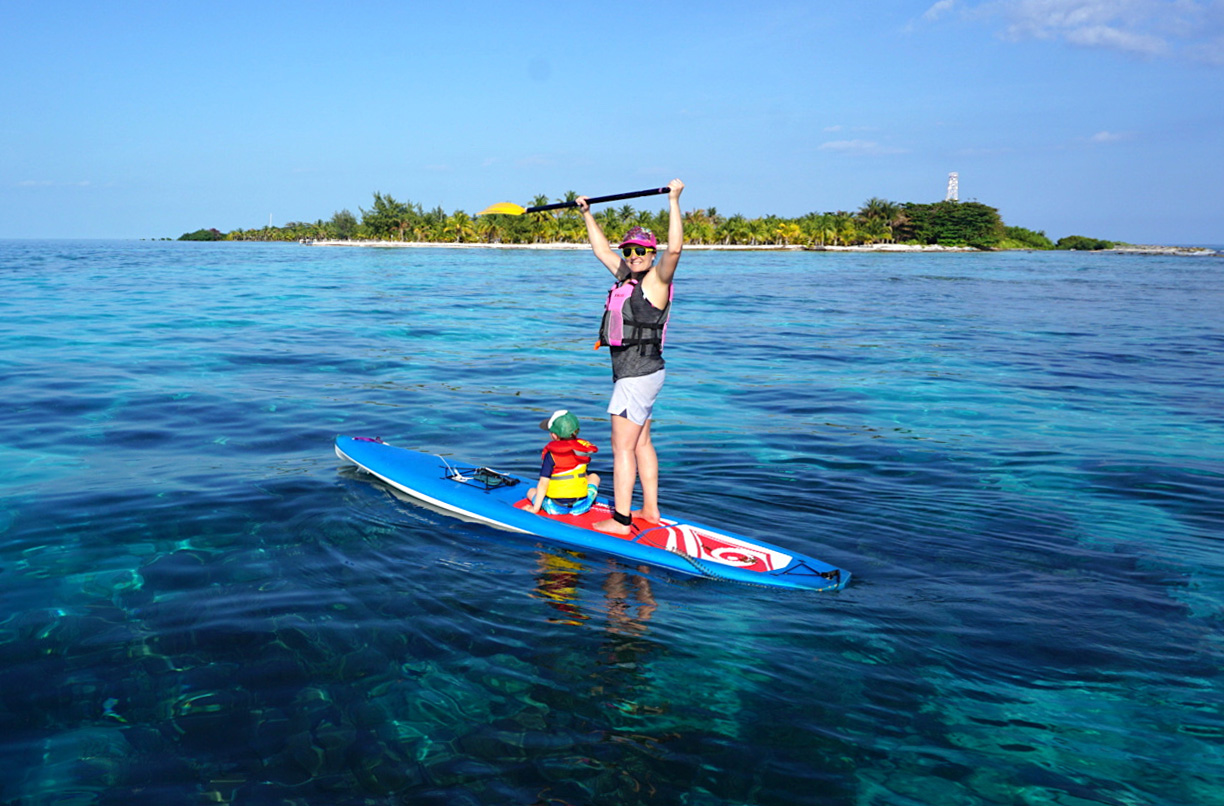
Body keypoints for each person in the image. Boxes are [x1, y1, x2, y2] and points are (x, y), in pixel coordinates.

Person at [576, 178, 684, 535]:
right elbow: (600, 251)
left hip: (636, 376)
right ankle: (650, 510)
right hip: (647, 373)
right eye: (629, 251)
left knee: (621, 447)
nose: (634, 255)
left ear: (652, 253)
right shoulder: (627, 276)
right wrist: (588, 214)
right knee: (641, 442)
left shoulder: (656, 281)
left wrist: (674, 201)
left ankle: (621, 520)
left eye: (641, 250)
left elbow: (677, 251)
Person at [526, 410, 602, 516]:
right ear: (576, 431)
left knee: (531, 491)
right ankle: (585, 501)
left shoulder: (551, 455)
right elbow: (583, 476)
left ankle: (544, 506)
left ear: (554, 436)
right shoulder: (583, 451)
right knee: (594, 476)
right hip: (582, 505)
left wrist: (535, 509)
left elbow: (543, 484)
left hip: (556, 507)